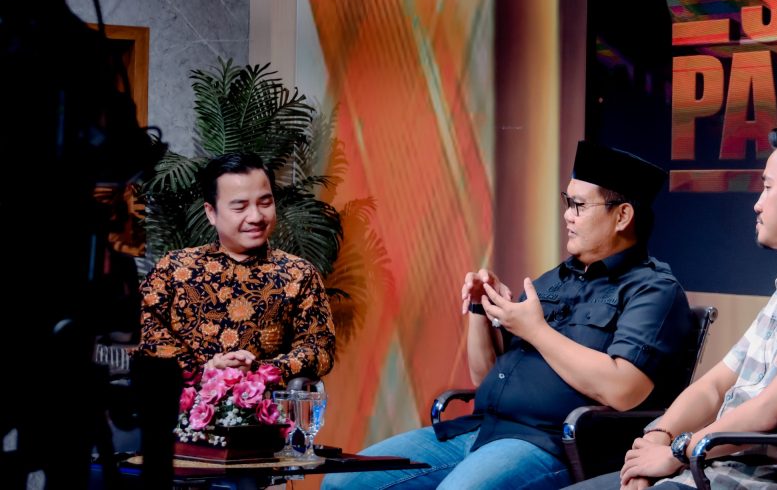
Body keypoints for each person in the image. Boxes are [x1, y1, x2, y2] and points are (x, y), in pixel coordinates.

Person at [322, 141, 692, 490]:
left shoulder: (653, 289)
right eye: (567, 202)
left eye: (579, 205)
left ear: (622, 216)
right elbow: (485, 376)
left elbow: (624, 390)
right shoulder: (554, 280)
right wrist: (480, 309)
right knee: (341, 482)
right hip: (481, 429)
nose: (567, 215)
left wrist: (536, 330)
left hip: (549, 444)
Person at [566, 123, 777, 490]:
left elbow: (770, 413)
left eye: (767, 187)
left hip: (755, 481)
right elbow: (715, 386)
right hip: (707, 469)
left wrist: (676, 452)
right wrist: (657, 438)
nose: (757, 203)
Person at [137, 152, 335, 381]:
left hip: (268, 400)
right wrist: (201, 372)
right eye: (240, 207)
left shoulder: (299, 274)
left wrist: (258, 371)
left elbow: (320, 349)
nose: (256, 217)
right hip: (184, 400)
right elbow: (141, 330)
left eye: (265, 203)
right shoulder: (174, 268)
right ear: (211, 213)